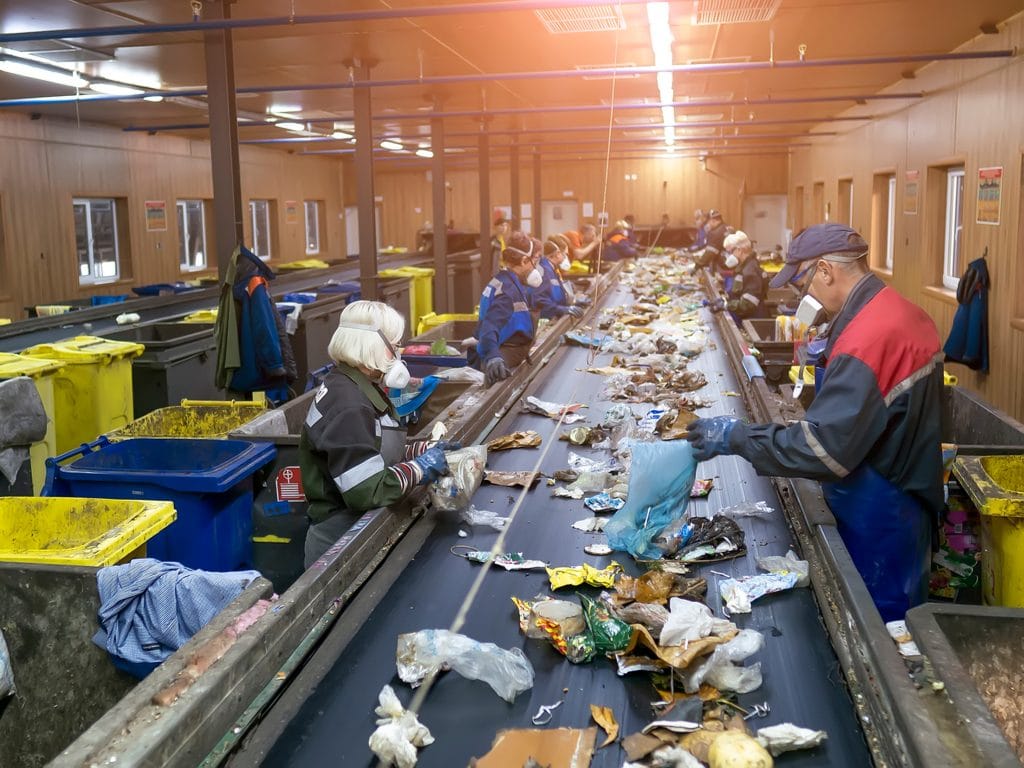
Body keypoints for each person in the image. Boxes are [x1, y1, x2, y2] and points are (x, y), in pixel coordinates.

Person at [686, 223, 943, 622]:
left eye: (805, 281)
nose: (804, 293)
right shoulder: (898, 311)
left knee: (879, 633)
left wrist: (738, 436)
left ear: (825, 270)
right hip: (906, 490)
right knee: (903, 625)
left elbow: (824, 450)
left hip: (881, 513)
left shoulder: (868, 339)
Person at [299, 301, 457, 567]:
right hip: (339, 544)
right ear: (374, 346)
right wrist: (419, 469)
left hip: (354, 531)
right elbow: (365, 488)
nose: (398, 355)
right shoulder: (349, 404)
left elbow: (369, 450)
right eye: (395, 347)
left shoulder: (353, 385)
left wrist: (419, 451)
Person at [470, 231, 544, 386]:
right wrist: (493, 356)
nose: (534, 267)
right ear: (524, 260)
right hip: (501, 356)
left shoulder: (505, 281)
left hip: (504, 350)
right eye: (533, 262)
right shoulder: (507, 292)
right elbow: (489, 327)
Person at [707, 231, 768, 320]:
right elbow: (738, 293)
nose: (728, 256)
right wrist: (725, 299)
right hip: (746, 316)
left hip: (753, 319)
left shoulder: (750, 271)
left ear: (739, 250)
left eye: (730, 252)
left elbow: (748, 304)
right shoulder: (743, 267)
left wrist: (726, 305)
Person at [533, 237, 585, 320]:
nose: (565, 257)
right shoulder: (545, 271)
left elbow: (555, 293)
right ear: (557, 254)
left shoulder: (552, 269)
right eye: (564, 254)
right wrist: (560, 309)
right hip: (547, 317)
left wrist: (572, 301)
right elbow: (540, 299)